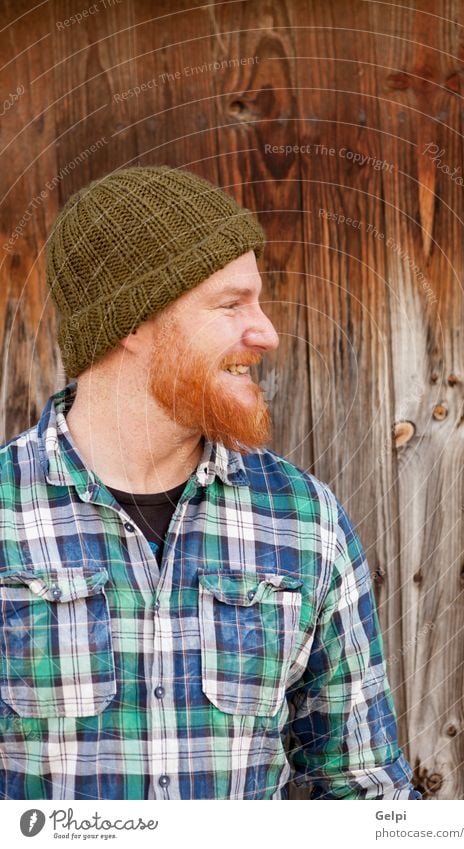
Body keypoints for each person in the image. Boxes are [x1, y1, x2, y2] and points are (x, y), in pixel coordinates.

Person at [0, 165, 420, 800]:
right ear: (131, 324)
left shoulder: (303, 519)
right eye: (231, 305)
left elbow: (363, 793)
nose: (267, 332)